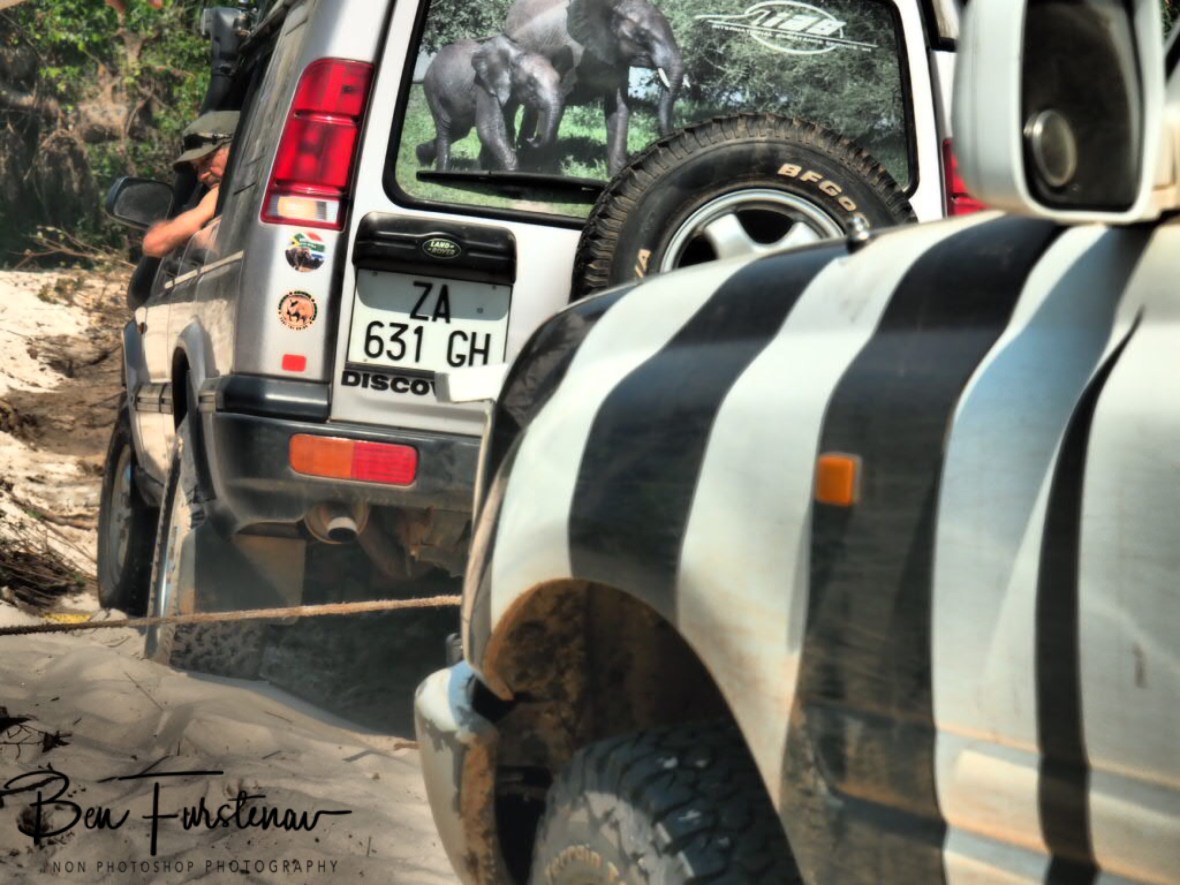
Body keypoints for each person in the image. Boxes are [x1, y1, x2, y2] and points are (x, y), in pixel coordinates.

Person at [142, 110, 238, 258]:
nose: (201, 176)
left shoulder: (224, 194)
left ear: (238, 146)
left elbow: (154, 244)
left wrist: (202, 214)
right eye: (196, 167)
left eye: (207, 160)